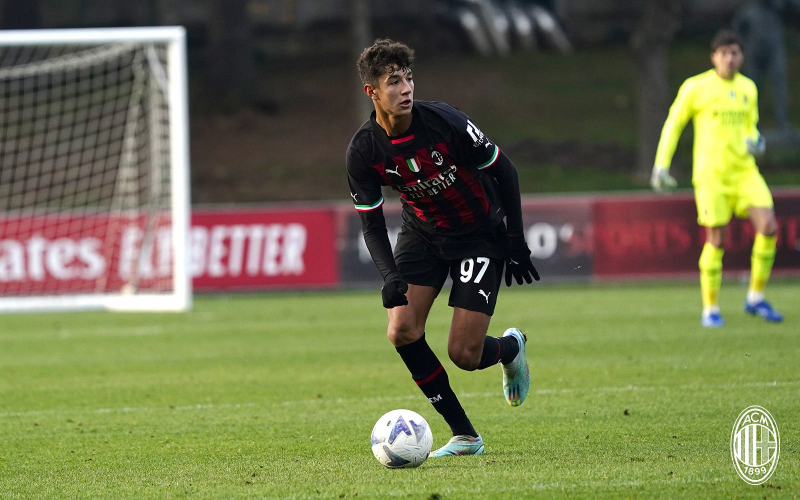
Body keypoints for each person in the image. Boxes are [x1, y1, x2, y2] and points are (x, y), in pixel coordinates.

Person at [346, 39, 539, 457]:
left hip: (479, 233)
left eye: (408, 78)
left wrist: (515, 238)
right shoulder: (363, 151)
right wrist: (389, 276)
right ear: (372, 91)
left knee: (464, 354)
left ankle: (510, 348)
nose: (405, 88)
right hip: (422, 234)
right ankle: (465, 435)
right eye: (393, 81)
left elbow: (505, 170)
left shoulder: (445, 121)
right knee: (401, 330)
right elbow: (371, 223)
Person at [651, 29, 783, 328]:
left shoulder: (748, 88)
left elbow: (750, 126)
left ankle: (755, 297)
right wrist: (661, 165)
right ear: (713, 57)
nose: (729, 59)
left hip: (745, 172)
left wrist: (756, 141)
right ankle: (710, 309)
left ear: (742, 57)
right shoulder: (696, 87)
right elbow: (674, 123)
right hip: (711, 176)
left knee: (769, 227)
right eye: (723, 53)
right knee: (717, 239)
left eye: (734, 53)